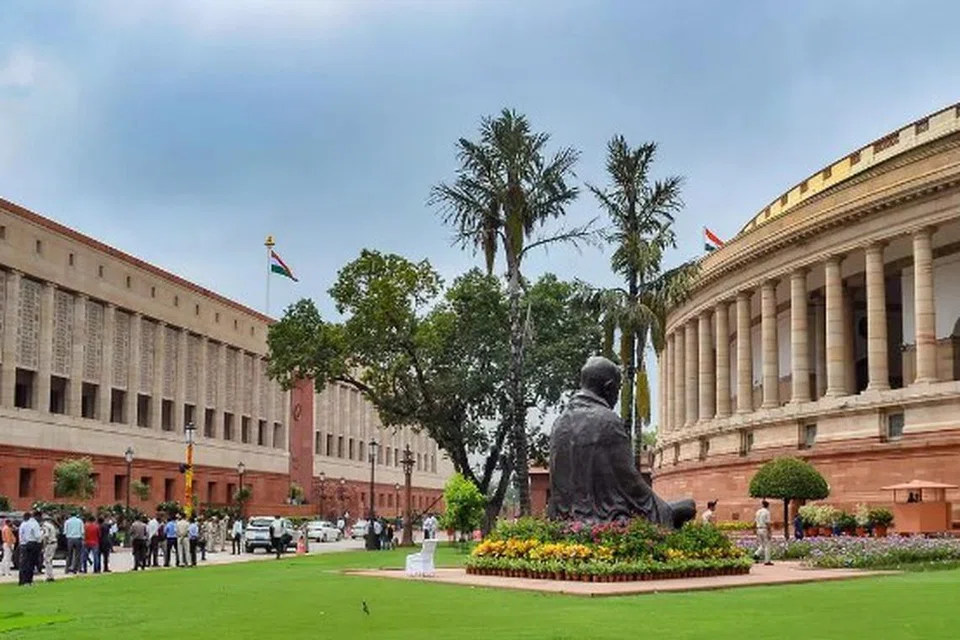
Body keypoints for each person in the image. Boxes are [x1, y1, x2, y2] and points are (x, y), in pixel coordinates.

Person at [548, 356, 696, 528]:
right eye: (617, 390)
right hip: (605, 518)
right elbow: (631, 483)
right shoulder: (607, 421)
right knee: (687, 506)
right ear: (609, 387)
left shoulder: (559, 423)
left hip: (563, 518)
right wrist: (665, 511)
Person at [17, 511, 42, 586]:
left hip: (24, 544)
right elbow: (37, 536)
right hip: (32, 543)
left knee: (24, 563)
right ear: (37, 516)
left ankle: (23, 580)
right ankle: (29, 580)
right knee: (31, 563)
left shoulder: (25, 523)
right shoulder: (35, 524)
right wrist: (42, 534)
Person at [40, 514, 58, 582]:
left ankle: (49, 576)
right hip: (54, 543)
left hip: (49, 543)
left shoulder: (45, 526)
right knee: (49, 560)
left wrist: (43, 546)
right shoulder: (51, 525)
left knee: (47, 560)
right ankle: (50, 575)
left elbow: (46, 536)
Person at [754, 500, 773, 566]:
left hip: (758, 528)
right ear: (768, 506)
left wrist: (754, 530)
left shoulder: (758, 512)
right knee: (767, 545)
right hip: (764, 529)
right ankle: (767, 561)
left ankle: (756, 554)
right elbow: (767, 523)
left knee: (762, 544)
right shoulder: (767, 512)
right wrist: (770, 532)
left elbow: (755, 522)